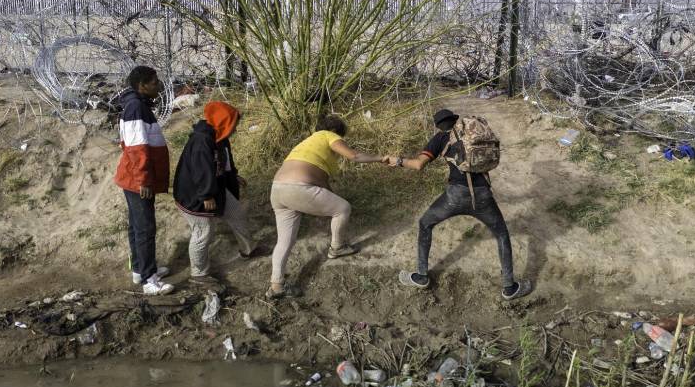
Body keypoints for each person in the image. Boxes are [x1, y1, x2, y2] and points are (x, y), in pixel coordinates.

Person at [385, 109, 532, 301]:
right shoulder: (472, 134)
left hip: (454, 197)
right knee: (502, 234)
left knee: (425, 223)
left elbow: (418, 164)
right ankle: (509, 287)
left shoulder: (440, 138)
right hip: (483, 196)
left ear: (438, 126)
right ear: (456, 121)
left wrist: (397, 161)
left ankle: (421, 276)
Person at [268, 114, 387, 298]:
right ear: (334, 131)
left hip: (277, 190)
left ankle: (276, 285)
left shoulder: (306, 145)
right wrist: (380, 158)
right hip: (298, 188)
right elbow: (354, 156)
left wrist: (328, 202)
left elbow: (321, 182)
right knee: (343, 208)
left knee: (285, 240)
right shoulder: (327, 135)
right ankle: (337, 247)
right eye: (341, 137)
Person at [173, 100, 266, 289]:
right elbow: (201, 171)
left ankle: (248, 250)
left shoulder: (219, 137)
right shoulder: (201, 141)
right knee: (203, 232)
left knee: (236, 213)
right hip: (194, 194)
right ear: (224, 123)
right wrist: (206, 195)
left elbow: (224, 162)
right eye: (233, 124)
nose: (235, 129)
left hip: (215, 187)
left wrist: (233, 176)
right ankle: (198, 274)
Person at [114, 66, 174, 295]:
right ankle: (150, 280)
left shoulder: (137, 105)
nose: (158, 86)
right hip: (137, 179)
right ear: (142, 85)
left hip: (134, 177)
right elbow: (137, 148)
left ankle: (140, 269)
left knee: (137, 226)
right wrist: (144, 180)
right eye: (154, 82)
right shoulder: (136, 107)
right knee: (145, 228)